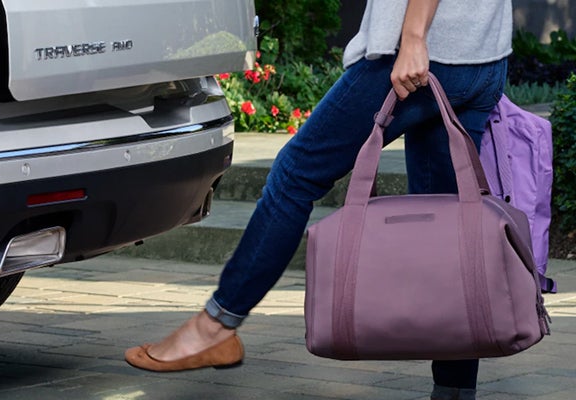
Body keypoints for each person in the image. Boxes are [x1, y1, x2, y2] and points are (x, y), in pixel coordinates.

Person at [126, 0, 512, 399]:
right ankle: (454, 389)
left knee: (295, 175)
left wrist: (413, 36)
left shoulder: (418, 44)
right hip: (483, 53)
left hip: (427, 50)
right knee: (448, 230)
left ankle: (214, 328)